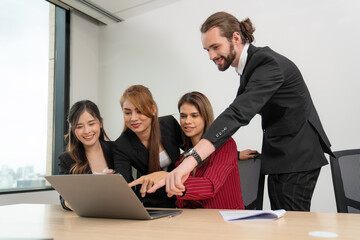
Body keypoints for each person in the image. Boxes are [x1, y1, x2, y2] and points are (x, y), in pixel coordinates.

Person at [149, 11, 334, 211]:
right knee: (284, 220)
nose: (211, 56)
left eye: (215, 47)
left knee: (292, 224)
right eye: (207, 50)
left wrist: (190, 161)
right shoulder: (252, 68)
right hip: (285, 155)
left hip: (297, 156)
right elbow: (235, 116)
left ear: (236, 37)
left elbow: (237, 114)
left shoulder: (267, 64)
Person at [113, 85, 182, 208]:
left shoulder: (169, 123)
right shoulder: (121, 145)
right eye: (127, 113)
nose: (133, 118)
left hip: (182, 195)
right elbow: (125, 187)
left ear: (153, 108)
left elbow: (193, 151)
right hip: (153, 202)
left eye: (139, 111)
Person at [175, 91, 244, 209]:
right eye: (183, 116)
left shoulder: (226, 144)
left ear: (205, 117)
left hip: (227, 220)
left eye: (194, 115)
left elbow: (209, 186)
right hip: (196, 222)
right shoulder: (182, 159)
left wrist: (168, 178)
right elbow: (183, 204)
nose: (187, 121)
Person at [58, 100, 114, 211]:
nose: (87, 131)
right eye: (79, 127)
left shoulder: (116, 150)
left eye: (91, 124)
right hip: (85, 219)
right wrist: (70, 202)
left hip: (118, 215)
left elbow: (130, 186)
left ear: (100, 123)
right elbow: (64, 198)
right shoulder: (66, 159)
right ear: (73, 130)